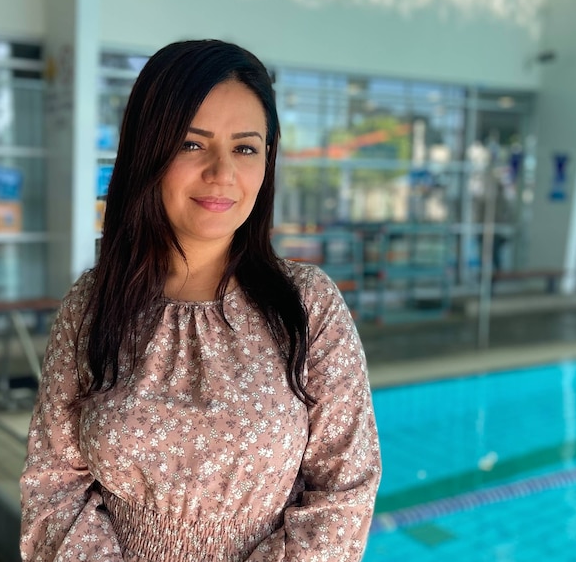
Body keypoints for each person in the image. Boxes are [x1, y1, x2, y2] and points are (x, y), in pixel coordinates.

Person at [20, 40, 382, 562]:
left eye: (245, 147)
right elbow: (52, 489)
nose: (221, 173)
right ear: (150, 150)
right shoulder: (93, 305)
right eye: (193, 145)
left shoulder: (308, 306)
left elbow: (345, 491)